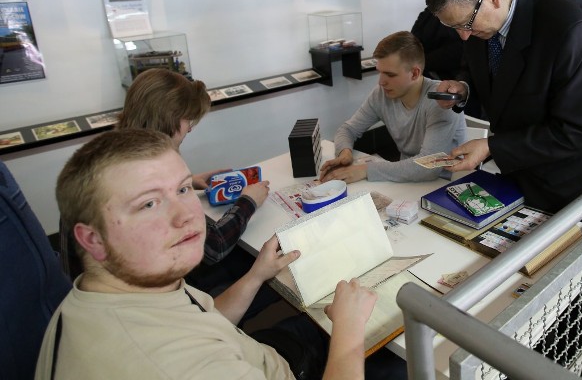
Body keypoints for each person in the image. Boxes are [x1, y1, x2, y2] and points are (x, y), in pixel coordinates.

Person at [36, 128, 383, 379]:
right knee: (390, 345)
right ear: (92, 240)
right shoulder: (175, 365)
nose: (186, 214)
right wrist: (350, 332)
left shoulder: (118, 290)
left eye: (183, 188)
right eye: (149, 203)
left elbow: (204, 318)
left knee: (308, 323)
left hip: (249, 351)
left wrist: (255, 276)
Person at [425, 0, 582, 224]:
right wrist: (464, 88)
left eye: (465, 25)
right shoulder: (479, 18)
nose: (463, 36)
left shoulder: (566, 28)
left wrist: (493, 146)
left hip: (574, 178)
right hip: (521, 168)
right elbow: (486, 74)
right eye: (453, 27)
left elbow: (575, 132)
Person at [109, 69, 270, 303]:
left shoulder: (118, 149)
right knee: (253, 261)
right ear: (169, 118)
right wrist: (248, 202)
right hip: (157, 294)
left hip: (128, 281)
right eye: (187, 119)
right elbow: (216, 247)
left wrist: (189, 182)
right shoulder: (152, 172)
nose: (190, 128)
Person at [320, 31, 466, 184]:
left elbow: (428, 168)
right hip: (405, 180)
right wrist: (345, 152)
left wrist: (365, 170)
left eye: (390, 75)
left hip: (445, 184)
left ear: (415, 73)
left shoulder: (441, 102)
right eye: (380, 72)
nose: (381, 82)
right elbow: (348, 129)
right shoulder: (382, 94)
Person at [410, 7, 464, 81]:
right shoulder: (429, 12)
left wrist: (419, 63)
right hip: (424, 71)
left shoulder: (458, 12)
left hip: (452, 79)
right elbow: (412, 41)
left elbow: (458, 52)